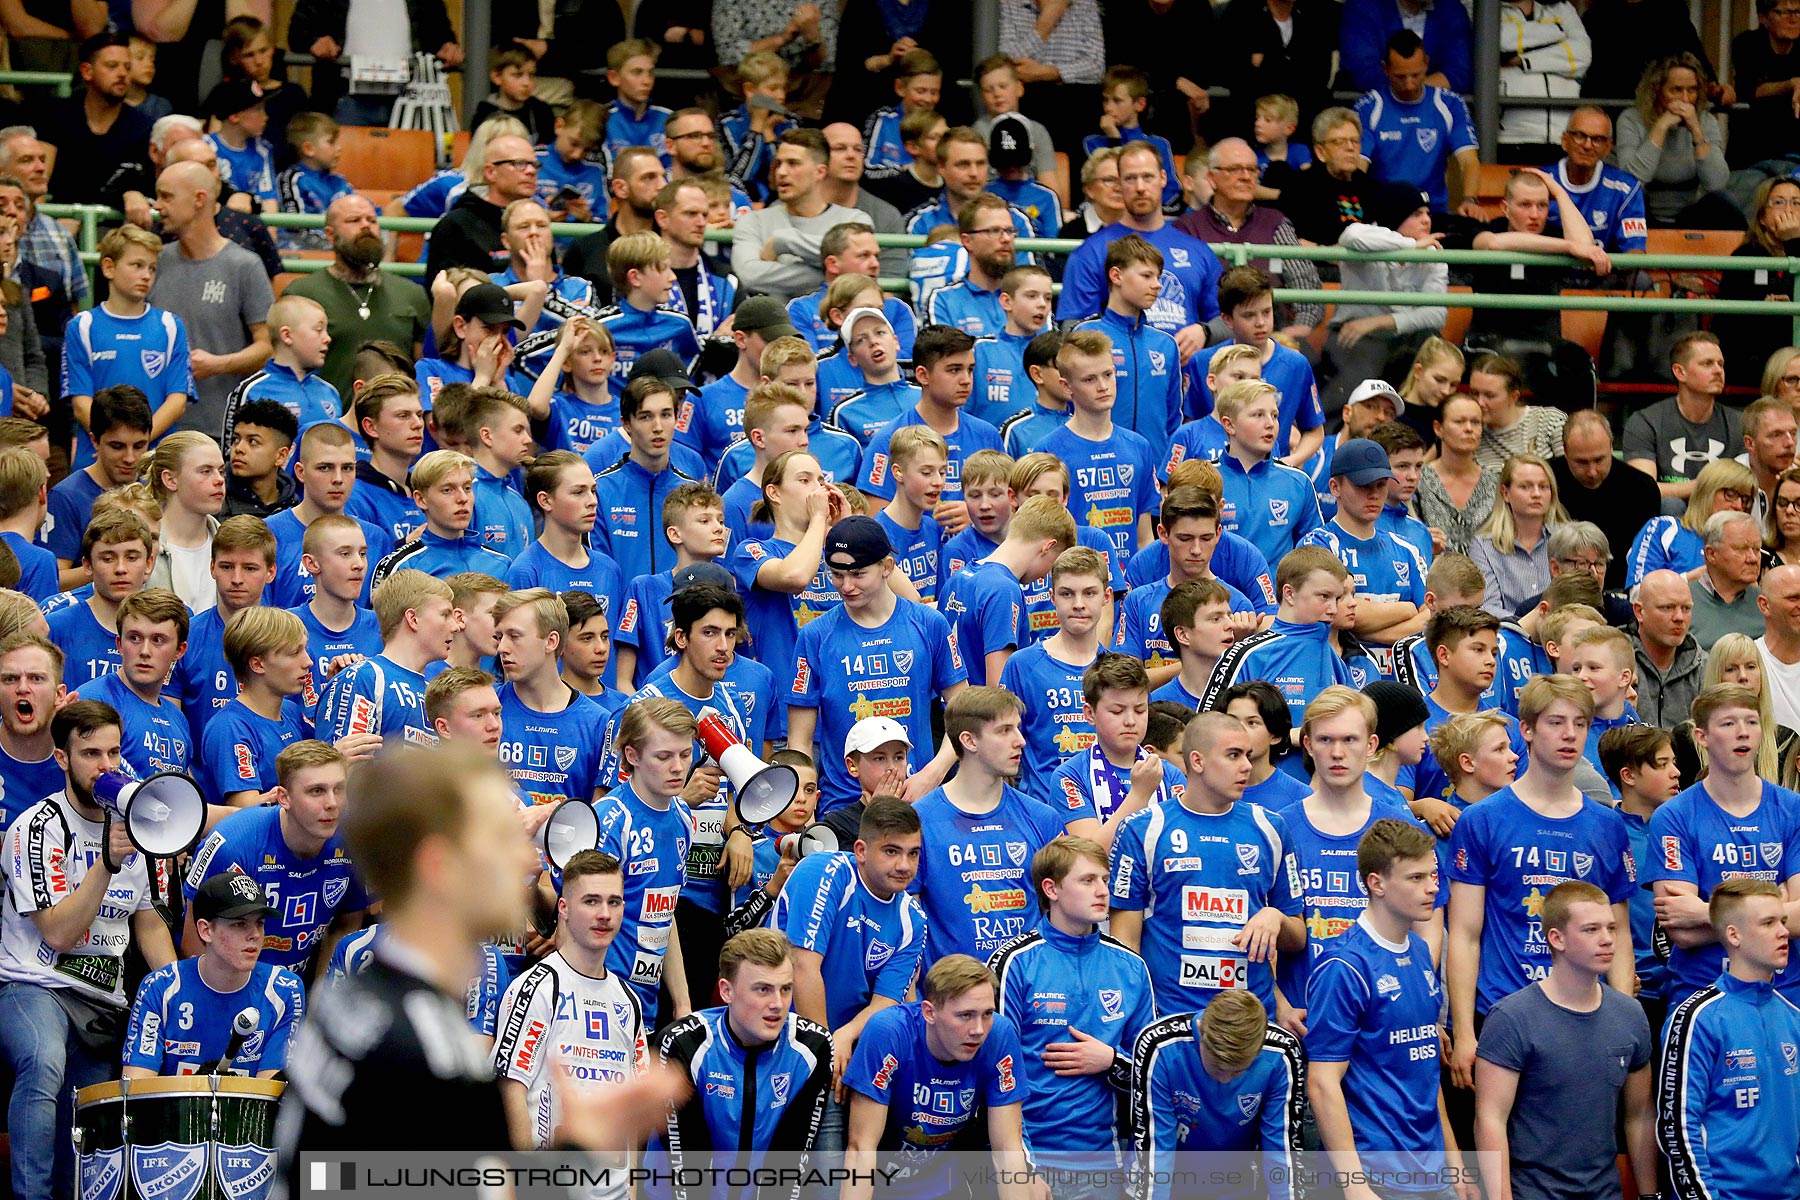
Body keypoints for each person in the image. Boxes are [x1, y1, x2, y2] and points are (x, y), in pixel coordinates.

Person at [272, 743, 679, 1175]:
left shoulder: (357, 999)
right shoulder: (430, 1055)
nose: (528, 859)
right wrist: (582, 1146)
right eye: (503, 837)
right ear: (440, 867)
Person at [0, 699, 174, 1200]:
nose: (106, 767)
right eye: (91, 753)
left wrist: (181, 991)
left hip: (103, 1001)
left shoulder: (138, 828)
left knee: (89, 1113)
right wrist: (107, 863)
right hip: (35, 985)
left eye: (114, 753)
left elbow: (149, 928)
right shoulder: (37, 829)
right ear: (62, 759)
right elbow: (56, 933)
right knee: (43, 1060)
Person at [1445, 676, 1636, 1092]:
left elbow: (1618, 931)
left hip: (1587, 1014)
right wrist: (1463, 1032)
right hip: (1501, 1010)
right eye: (1555, 722)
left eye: (1580, 723)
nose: (1569, 734)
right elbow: (1463, 934)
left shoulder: (1607, 825)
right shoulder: (1482, 819)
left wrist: (1625, 1016)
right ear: (1526, 730)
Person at [1307, 817, 1469, 1200]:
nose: (1432, 887)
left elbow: (1425, 1069)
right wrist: (1355, 1187)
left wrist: (1455, 1160)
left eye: (1433, 875)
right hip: (1375, 1173)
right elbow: (1322, 1082)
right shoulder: (1344, 966)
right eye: (1416, 878)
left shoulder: (1419, 952)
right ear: (1376, 883)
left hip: (1433, 1171)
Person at [1109, 710, 1304, 1017]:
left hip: (1250, 1022)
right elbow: (1125, 946)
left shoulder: (1271, 828)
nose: (1246, 766)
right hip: (1171, 1021)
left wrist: (1275, 918)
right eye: (1233, 755)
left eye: (1248, 755)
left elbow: (1297, 937)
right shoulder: (1144, 829)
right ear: (1197, 761)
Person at [1473, 878, 1655, 1200]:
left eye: (1611, 929)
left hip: (1605, 1192)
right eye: (1591, 930)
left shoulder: (1630, 1015)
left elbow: (1639, 1115)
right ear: (1556, 938)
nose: (1607, 940)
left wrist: (1649, 1194)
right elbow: (1490, 1121)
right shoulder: (1511, 1018)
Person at [990, 835, 1155, 1173]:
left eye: (1105, 880)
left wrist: (1110, 1061)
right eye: (1087, 880)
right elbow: (995, 1071)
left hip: (1110, 1162)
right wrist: (1021, 1168)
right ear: (1051, 889)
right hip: (1030, 1158)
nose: (1103, 891)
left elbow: (1154, 1073)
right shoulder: (1014, 963)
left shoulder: (1131, 967)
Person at [771, 795, 926, 1153]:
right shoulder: (825, 872)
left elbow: (887, 1003)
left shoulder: (913, 919)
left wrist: (844, 1037)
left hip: (848, 1052)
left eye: (913, 853)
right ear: (861, 849)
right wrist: (826, 1046)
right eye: (891, 851)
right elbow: (804, 966)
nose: (904, 865)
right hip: (783, 1038)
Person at [789, 516, 968, 813]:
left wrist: (932, 775)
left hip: (917, 796)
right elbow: (800, 741)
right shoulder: (815, 636)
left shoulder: (929, 624)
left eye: (858, 574)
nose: (846, 586)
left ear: (886, 567)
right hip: (844, 804)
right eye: (836, 574)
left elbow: (965, 713)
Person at [1643, 683, 1800, 1008]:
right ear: (1702, 737)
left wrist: (1703, 912)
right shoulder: (1673, 816)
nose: (1742, 733)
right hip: (1703, 993)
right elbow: (1682, 932)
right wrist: (1777, 908)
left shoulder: (1792, 809)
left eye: (1751, 722)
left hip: (1786, 992)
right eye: (1728, 724)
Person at [839, 955, 1034, 1200]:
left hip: (943, 1183)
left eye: (987, 1014)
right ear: (929, 1012)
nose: (978, 1030)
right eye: (965, 1015)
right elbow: (862, 1148)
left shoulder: (1000, 1034)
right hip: (876, 1183)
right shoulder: (888, 1032)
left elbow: (1007, 1149)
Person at [492, 848, 646, 1149]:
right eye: (591, 901)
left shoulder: (629, 1001)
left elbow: (633, 1111)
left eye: (613, 902)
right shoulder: (537, 987)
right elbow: (510, 1089)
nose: (604, 913)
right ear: (563, 907)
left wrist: (630, 1189)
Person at [1658, 877, 1800, 1200]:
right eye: (1768, 923)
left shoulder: (1794, 1018)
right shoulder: (1696, 1019)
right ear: (1733, 934)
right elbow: (1678, 1131)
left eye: (1783, 921)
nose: (1782, 932)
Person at [652, 928, 834, 1173]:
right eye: (763, 989)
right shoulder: (684, 1045)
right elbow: (686, 1164)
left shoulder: (812, 1049)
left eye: (786, 989)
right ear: (727, 991)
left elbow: (790, 1161)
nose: (777, 1004)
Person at [124, 873, 304, 1078]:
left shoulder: (285, 990)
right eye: (240, 924)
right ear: (205, 930)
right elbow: (135, 1091)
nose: (254, 934)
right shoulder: (160, 987)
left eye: (260, 924)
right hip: (170, 1110)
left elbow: (273, 1096)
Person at [1057, 142, 1222, 354]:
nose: (1140, 187)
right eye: (1130, 178)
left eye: (1148, 177)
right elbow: (1072, 330)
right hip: (1117, 377)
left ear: (1163, 178)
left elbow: (1227, 320)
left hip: (1186, 378)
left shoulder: (1197, 250)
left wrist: (1204, 332)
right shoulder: (1092, 251)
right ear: (1119, 184)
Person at [149, 160, 275, 437]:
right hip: (156, 425)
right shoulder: (154, 262)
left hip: (218, 427)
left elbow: (267, 346)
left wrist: (218, 364)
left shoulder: (245, 265)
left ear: (199, 200)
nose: (157, 206)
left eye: (166, 196)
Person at [61, 225, 193, 467]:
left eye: (152, 268)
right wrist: (114, 446)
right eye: (137, 266)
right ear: (109, 267)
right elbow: (81, 403)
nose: (146, 275)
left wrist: (135, 447)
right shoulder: (83, 326)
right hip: (96, 458)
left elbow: (177, 401)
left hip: (154, 460)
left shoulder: (170, 325)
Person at [1173, 141, 1326, 344]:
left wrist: (1297, 330)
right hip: (1210, 341)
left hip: (1274, 338)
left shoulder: (1275, 222)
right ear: (1212, 178)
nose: (1246, 177)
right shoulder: (1187, 228)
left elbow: (1306, 285)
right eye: (1235, 169)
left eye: (1252, 170)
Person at [1202, 546, 1353, 725]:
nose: (1334, 609)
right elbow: (1207, 730)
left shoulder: (1336, 662)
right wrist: (1290, 739)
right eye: (1324, 596)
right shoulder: (1249, 655)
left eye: (1337, 598)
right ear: (1289, 593)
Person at [314, 569, 457, 747]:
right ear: (413, 619)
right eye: (445, 615)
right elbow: (340, 767)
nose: (456, 626)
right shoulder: (366, 679)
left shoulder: (432, 691)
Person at [731, 129, 873, 304]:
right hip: (775, 327)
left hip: (834, 325)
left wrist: (783, 241)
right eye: (779, 163)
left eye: (793, 163)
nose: (781, 172)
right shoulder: (753, 221)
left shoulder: (855, 221)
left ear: (820, 172)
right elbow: (749, 276)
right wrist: (833, 272)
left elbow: (855, 264)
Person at [1354, 32, 1481, 216]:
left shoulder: (1450, 104)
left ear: (1426, 63)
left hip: (1433, 212)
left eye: (1416, 75)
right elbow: (1358, 167)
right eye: (1400, 77)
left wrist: (1470, 199)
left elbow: (1469, 161)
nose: (1409, 85)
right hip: (1384, 213)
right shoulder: (1368, 107)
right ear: (1385, 69)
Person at [1613, 53, 1734, 227]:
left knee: (1722, 204)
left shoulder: (1705, 121)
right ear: (1657, 90)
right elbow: (1630, 182)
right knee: (1630, 200)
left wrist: (1697, 132)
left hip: (1690, 215)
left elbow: (1717, 183)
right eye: (1676, 90)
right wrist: (1660, 128)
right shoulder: (1631, 119)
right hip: (1644, 214)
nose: (1685, 99)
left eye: (1691, 90)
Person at [36, 34, 154, 210]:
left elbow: (143, 185)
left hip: (115, 226)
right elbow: (37, 180)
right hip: (61, 220)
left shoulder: (142, 126)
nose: (122, 74)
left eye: (127, 68)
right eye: (112, 66)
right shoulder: (57, 114)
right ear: (87, 71)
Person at [1626, 332, 1742, 503]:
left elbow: (1746, 483)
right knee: (1670, 504)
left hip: (1723, 513)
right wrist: (1704, 486)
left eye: (1721, 364)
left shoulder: (1739, 423)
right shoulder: (1646, 421)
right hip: (1671, 517)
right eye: (1707, 363)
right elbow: (1644, 489)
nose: (1718, 371)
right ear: (1680, 372)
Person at [1553, 411, 1661, 589]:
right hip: (1561, 585)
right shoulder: (1546, 482)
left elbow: (1644, 557)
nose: (1592, 471)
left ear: (1612, 446)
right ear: (1565, 451)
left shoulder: (1641, 488)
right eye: (1581, 462)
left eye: (1599, 460)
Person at [424, 135, 544, 284]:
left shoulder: (537, 224)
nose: (531, 171)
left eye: (535, 164)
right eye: (519, 163)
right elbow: (443, 292)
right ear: (490, 172)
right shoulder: (455, 226)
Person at [1469, 455, 1565, 619]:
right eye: (1525, 487)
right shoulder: (1484, 545)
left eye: (1543, 487)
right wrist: (1526, 627)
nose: (1536, 494)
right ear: (1505, 493)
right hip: (1508, 635)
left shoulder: (1567, 539)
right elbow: (1487, 606)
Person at [1630, 568, 1706, 728]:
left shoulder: (1703, 666)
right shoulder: (1614, 660)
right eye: (1667, 607)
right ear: (1639, 612)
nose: (1679, 617)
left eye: (1686, 608)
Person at [1689, 513, 1767, 650]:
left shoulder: (1766, 604)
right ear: (1711, 554)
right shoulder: (1683, 603)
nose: (1753, 559)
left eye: (1756, 550)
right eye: (1741, 549)